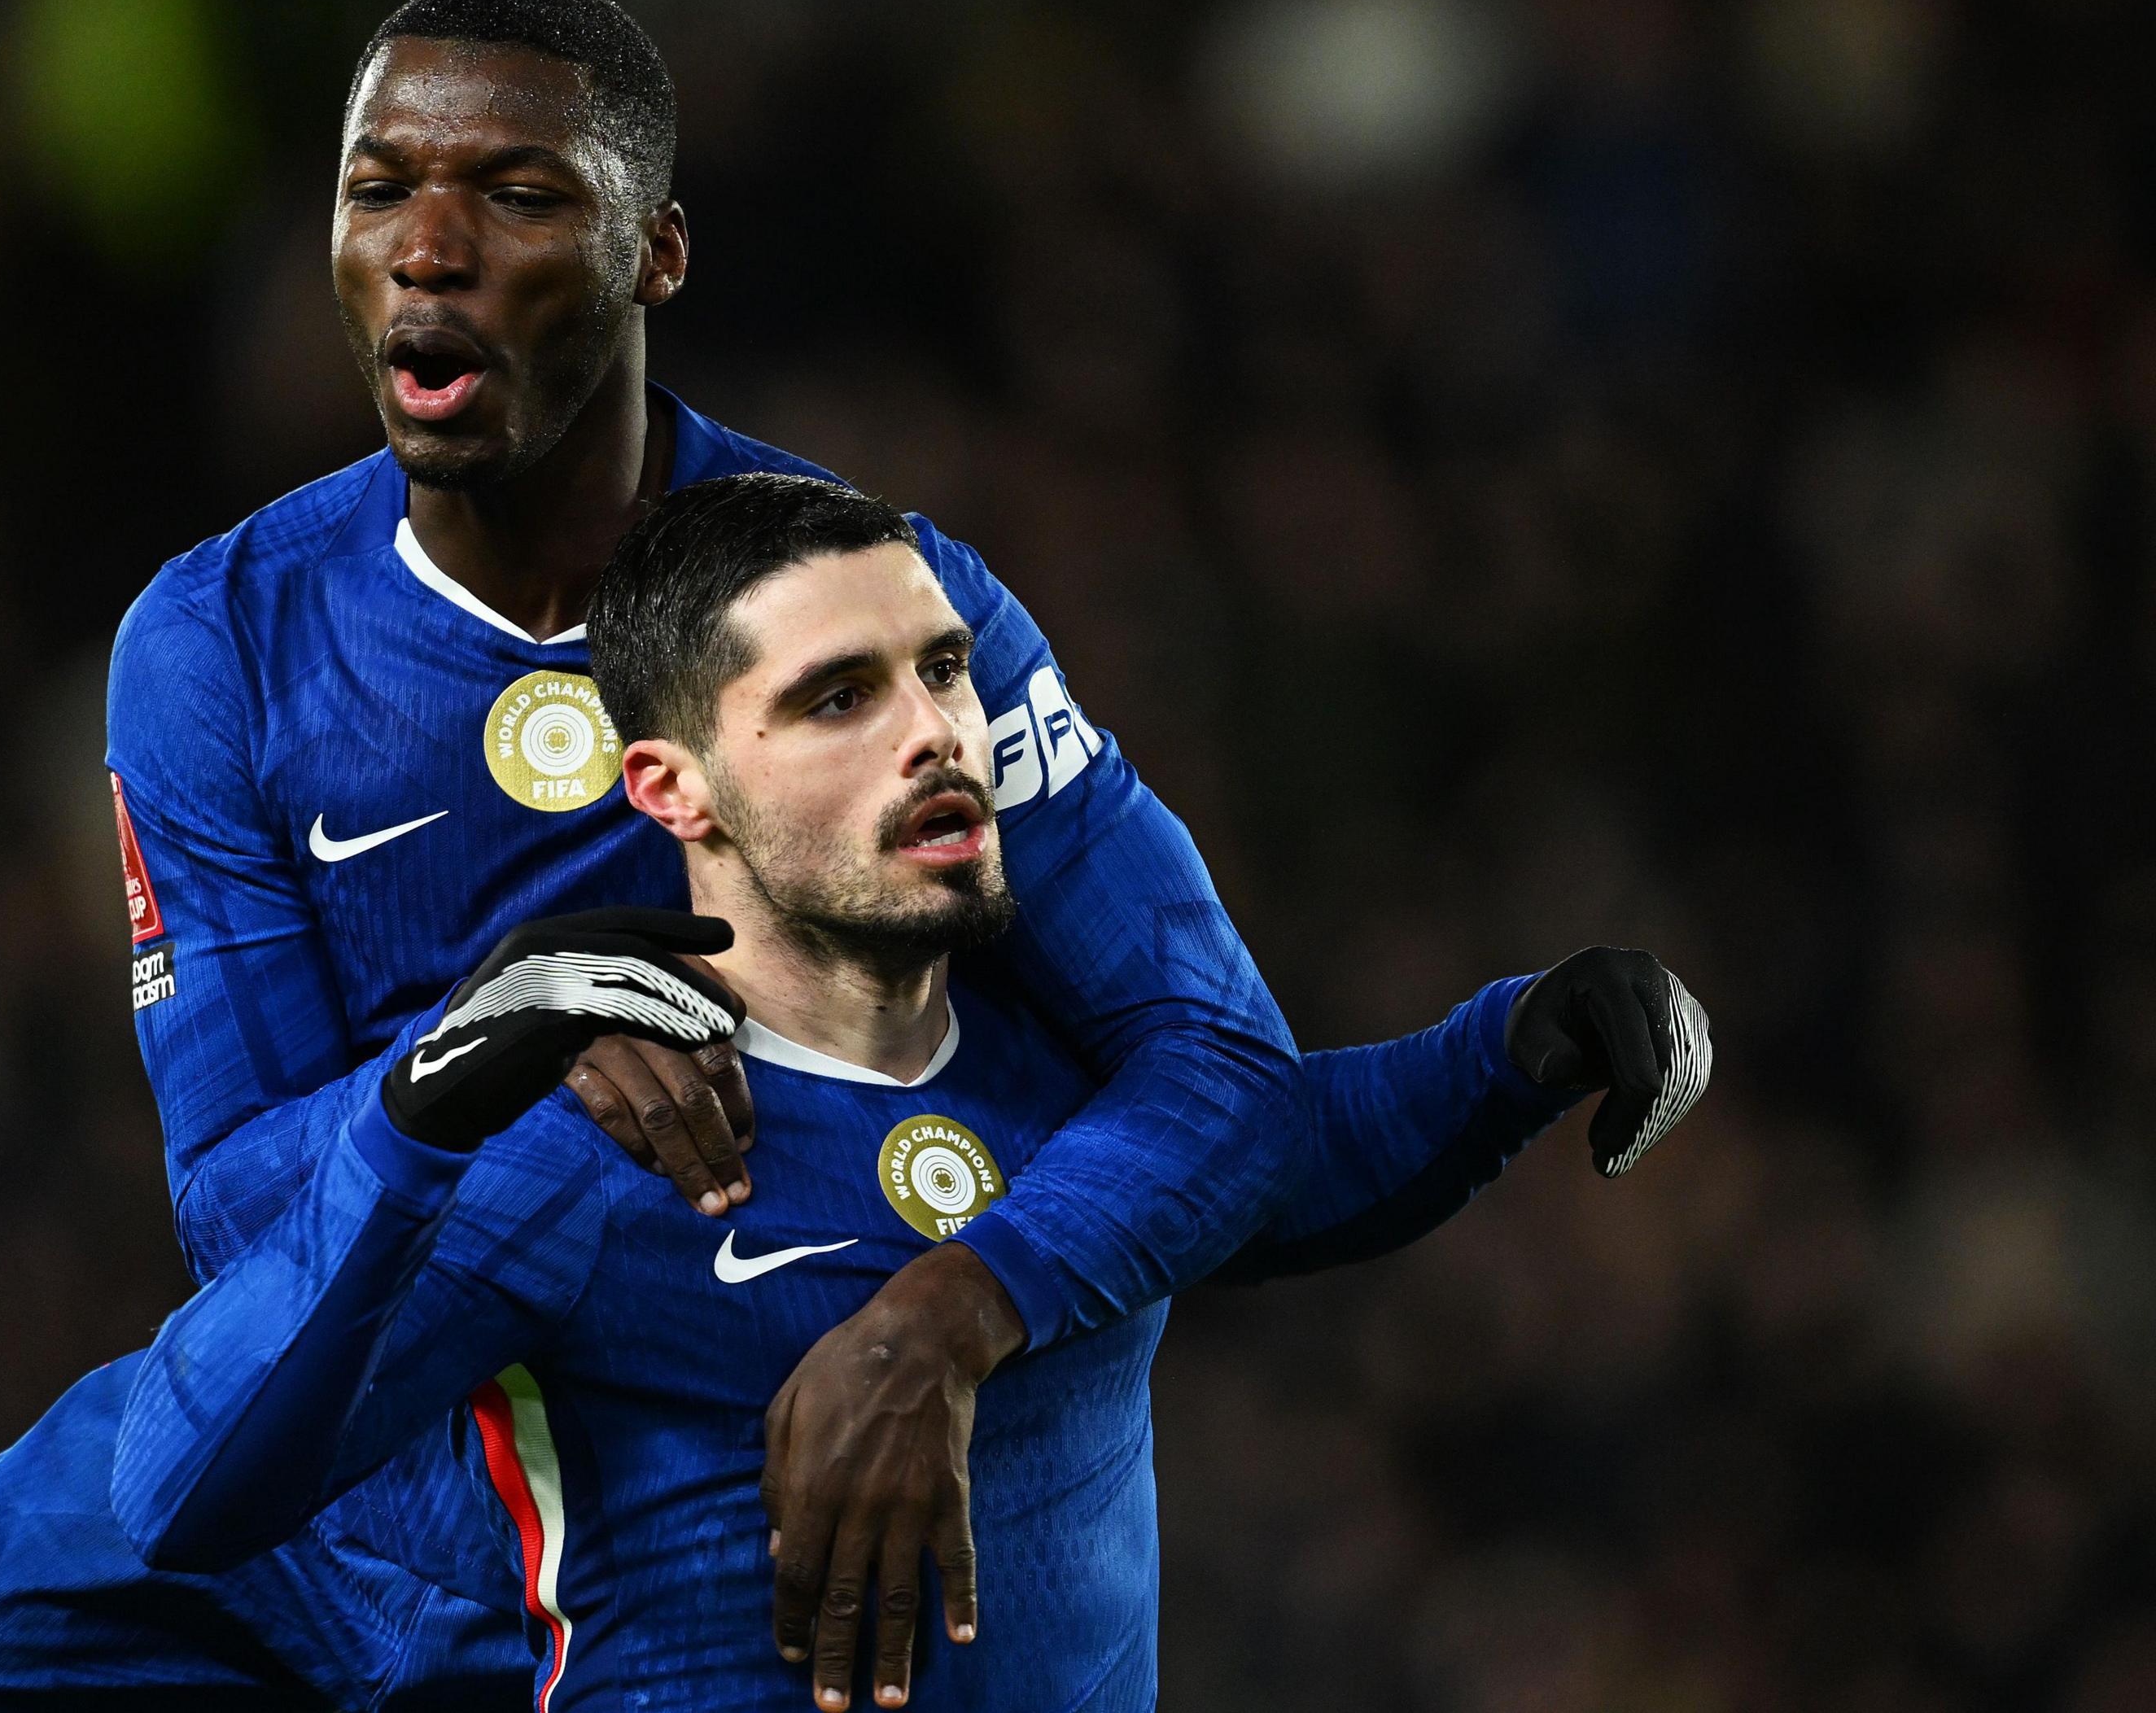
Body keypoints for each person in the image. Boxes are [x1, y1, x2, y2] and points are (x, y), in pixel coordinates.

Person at [0, 0, 1708, 1713]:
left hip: (649, 1465)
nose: (427, 247)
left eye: (516, 196)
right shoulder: (217, 646)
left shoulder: (870, 603)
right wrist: (498, 1061)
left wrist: (945, 1311)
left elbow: (1220, 1075)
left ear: (657, 252)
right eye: (381, 188)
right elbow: (240, 1211)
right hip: (341, 1429)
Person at [109, 470, 1602, 1711]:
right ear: (672, 791)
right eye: (838, 699)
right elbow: (179, 1483)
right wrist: (419, 1106)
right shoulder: (603, 1145)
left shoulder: (1084, 1098)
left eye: (942, 671)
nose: (935, 731)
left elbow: (1284, 1148)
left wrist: (1531, 1041)